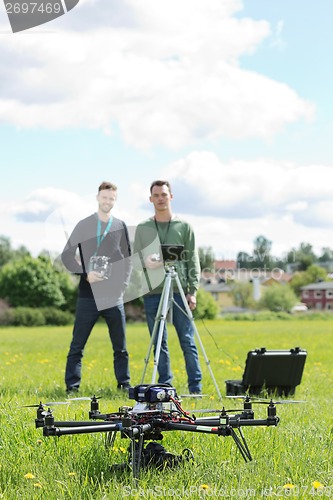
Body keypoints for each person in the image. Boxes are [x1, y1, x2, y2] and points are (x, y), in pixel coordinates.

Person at [61, 181, 132, 394]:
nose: (107, 201)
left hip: (113, 296)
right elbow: (66, 256)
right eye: (104, 197)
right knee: (77, 346)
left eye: (111, 198)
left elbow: (128, 260)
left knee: (120, 347)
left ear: (115, 200)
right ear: (97, 197)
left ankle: (124, 385)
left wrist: (123, 285)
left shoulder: (120, 225)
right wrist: (85, 273)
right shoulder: (84, 225)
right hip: (87, 296)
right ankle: (72, 387)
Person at [133, 180, 202, 394]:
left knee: (187, 340)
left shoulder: (184, 227)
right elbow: (134, 260)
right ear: (151, 199)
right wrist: (148, 262)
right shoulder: (143, 228)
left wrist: (193, 291)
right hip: (154, 292)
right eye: (156, 195)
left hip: (179, 291)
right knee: (159, 343)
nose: (160, 198)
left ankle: (195, 388)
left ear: (171, 197)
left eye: (164, 194)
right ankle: (165, 388)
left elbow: (193, 260)